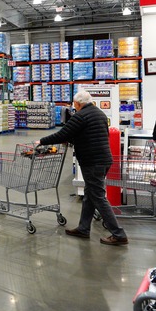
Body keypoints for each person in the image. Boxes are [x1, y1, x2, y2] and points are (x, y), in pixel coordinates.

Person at [36, 91, 128, 246]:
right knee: (90, 194)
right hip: (104, 159)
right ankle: (83, 228)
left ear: (77, 103)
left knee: (97, 196)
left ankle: (119, 234)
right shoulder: (99, 113)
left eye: (74, 104)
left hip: (92, 161)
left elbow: (62, 134)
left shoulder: (80, 116)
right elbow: (91, 134)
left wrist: (41, 141)